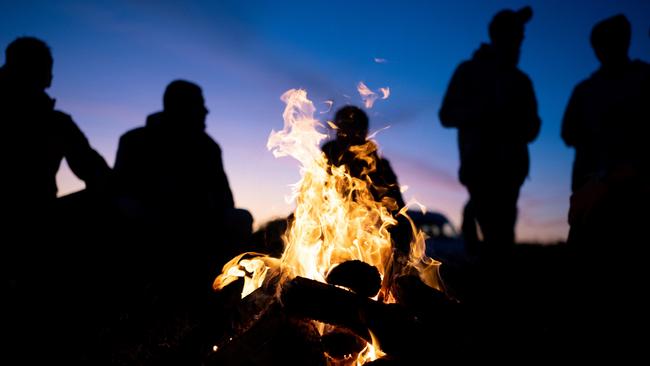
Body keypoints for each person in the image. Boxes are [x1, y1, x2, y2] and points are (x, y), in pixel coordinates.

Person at [0, 36, 111, 364]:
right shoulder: (53, 121)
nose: (51, 78)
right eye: (46, 70)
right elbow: (98, 174)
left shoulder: (56, 121)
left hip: (40, 218)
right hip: (35, 221)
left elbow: (95, 171)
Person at [438, 6, 541, 259]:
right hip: (479, 168)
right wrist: (483, 113)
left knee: (502, 239)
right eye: (515, 35)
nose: (520, 42)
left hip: (511, 171)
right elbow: (446, 115)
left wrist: (518, 124)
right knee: (493, 238)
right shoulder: (469, 71)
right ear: (499, 36)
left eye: (520, 37)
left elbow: (533, 127)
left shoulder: (521, 80)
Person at [322, 106, 408, 251]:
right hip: (329, 239)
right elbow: (311, 202)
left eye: (354, 127)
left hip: (370, 243)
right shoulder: (323, 163)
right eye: (344, 127)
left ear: (363, 131)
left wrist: (403, 239)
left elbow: (396, 206)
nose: (348, 133)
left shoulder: (379, 167)